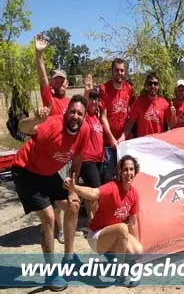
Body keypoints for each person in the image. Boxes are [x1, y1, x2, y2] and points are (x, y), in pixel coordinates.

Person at [12, 95, 90, 291]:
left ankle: (69, 258)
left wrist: (73, 184)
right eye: (72, 111)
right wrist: (35, 120)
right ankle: (50, 274)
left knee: (73, 204)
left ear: (85, 116)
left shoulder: (84, 130)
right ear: (66, 112)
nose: (75, 116)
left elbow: (78, 157)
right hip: (26, 170)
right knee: (49, 217)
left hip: (48, 172)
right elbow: (22, 128)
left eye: (80, 113)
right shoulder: (53, 125)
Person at [65, 155, 143, 263]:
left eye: (131, 169)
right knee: (123, 228)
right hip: (96, 236)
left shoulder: (134, 194)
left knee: (138, 250)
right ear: (120, 172)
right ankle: (120, 271)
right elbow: (93, 193)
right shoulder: (112, 187)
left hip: (113, 234)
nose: (129, 173)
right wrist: (75, 188)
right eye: (125, 170)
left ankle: (114, 258)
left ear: (135, 172)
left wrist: (135, 257)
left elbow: (133, 224)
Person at [35, 33, 71, 245]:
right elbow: (42, 80)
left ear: (66, 82)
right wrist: (39, 56)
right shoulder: (51, 101)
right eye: (55, 80)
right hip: (53, 154)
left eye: (62, 79)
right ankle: (57, 228)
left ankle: (63, 226)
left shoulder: (71, 103)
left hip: (67, 155)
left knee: (66, 194)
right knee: (58, 197)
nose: (59, 83)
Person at [100, 58, 134, 182]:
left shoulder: (128, 88)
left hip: (124, 141)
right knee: (109, 177)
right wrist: (111, 138)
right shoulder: (104, 89)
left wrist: (125, 134)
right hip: (109, 143)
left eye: (122, 70)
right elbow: (103, 116)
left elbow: (132, 113)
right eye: (116, 70)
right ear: (112, 71)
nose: (119, 73)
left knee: (125, 176)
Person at [123, 72, 176, 137]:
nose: (153, 86)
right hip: (142, 143)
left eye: (155, 84)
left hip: (158, 142)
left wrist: (173, 115)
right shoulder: (139, 102)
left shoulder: (164, 103)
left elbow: (172, 126)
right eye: (150, 83)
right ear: (146, 86)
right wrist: (122, 138)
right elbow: (130, 123)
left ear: (158, 86)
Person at [79, 88, 104, 222]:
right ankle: (93, 220)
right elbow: (82, 104)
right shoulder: (86, 116)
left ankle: (91, 219)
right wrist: (87, 89)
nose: (94, 101)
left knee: (91, 192)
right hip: (88, 160)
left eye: (97, 99)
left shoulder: (97, 117)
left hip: (99, 160)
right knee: (95, 191)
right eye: (92, 98)